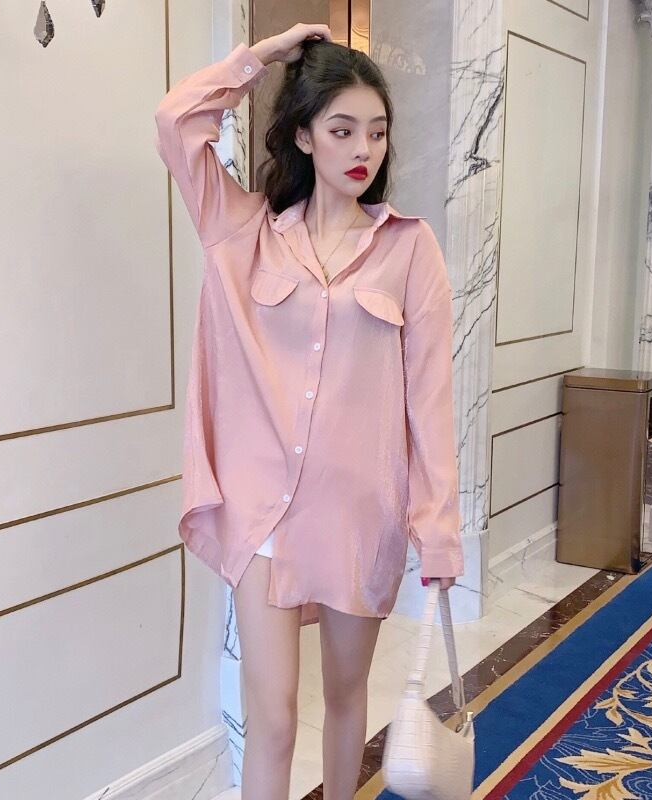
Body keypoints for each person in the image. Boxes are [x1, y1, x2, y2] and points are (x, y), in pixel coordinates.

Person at [154, 22, 464, 800]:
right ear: (303, 135)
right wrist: (266, 55)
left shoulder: (410, 249)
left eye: (377, 132)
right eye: (342, 129)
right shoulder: (242, 231)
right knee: (274, 722)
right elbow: (175, 122)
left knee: (347, 701)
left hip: (362, 513)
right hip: (264, 514)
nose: (364, 149)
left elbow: (429, 398)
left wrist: (438, 528)